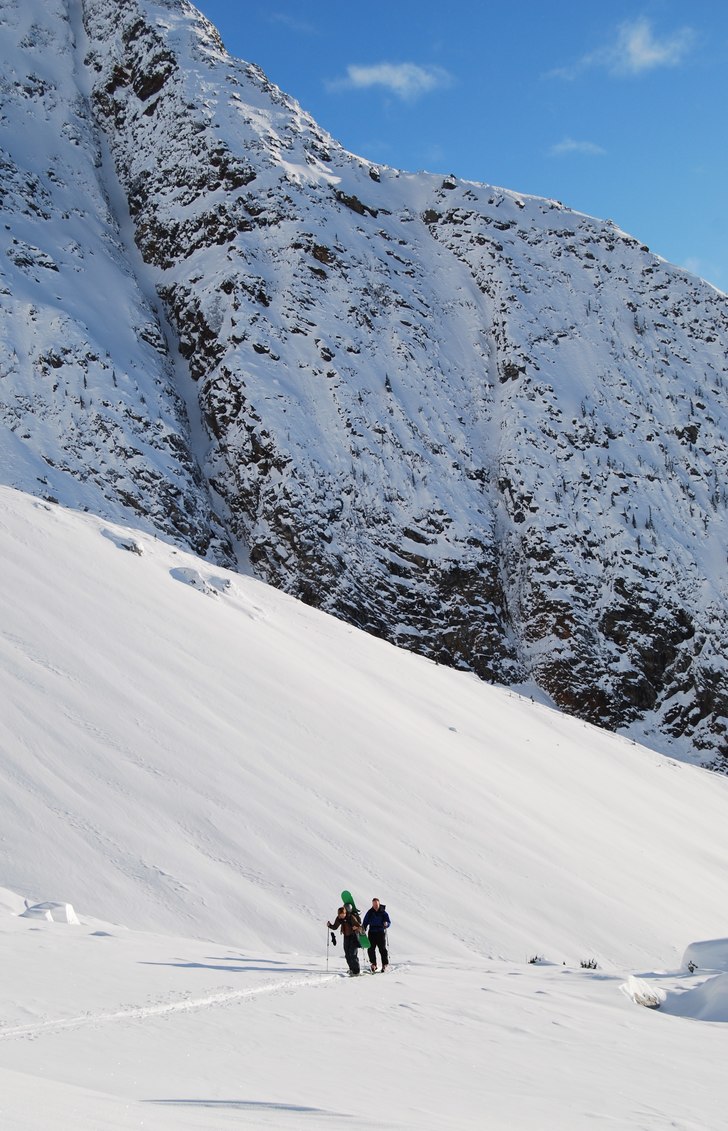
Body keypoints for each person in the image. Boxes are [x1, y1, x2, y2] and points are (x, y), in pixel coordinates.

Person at [327, 904, 362, 976]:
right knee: (347, 954)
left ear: (346, 913)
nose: (342, 915)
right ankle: (351, 969)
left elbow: (360, 927)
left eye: (343, 914)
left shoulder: (351, 917)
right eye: (341, 914)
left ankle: (356, 971)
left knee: (353, 954)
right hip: (346, 937)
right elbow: (335, 927)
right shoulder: (339, 918)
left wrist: (356, 928)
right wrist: (329, 925)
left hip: (353, 936)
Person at [362, 897, 391, 972]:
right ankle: (373, 964)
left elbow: (388, 921)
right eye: (374, 905)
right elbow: (365, 921)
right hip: (372, 932)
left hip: (380, 932)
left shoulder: (383, 912)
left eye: (376, 905)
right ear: (372, 904)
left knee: (382, 949)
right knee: (371, 949)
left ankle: (385, 965)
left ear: (379, 904)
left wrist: (386, 924)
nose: (375, 906)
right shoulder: (370, 912)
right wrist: (363, 928)